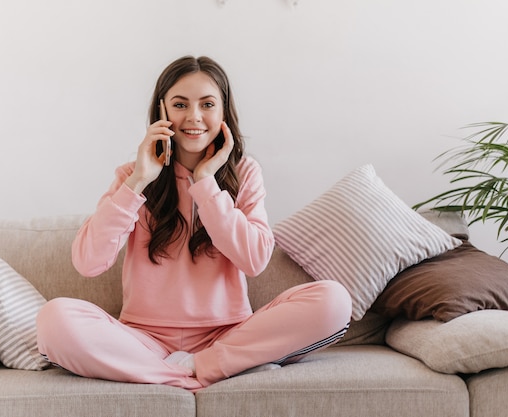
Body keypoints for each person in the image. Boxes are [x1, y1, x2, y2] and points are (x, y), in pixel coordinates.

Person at [36, 55, 352, 391]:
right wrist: (140, 180)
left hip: (228, 336)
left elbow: (255, 259)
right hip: (144, 340)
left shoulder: (244, 174)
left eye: (207, 104)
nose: (194, 116)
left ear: (224, 113)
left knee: (334, 300)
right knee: (53, 319)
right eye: (180, 104)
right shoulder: (132, 176)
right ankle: (201, 373)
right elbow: (88, 261)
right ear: (161, 111)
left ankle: (196, 367)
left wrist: (205, 184)